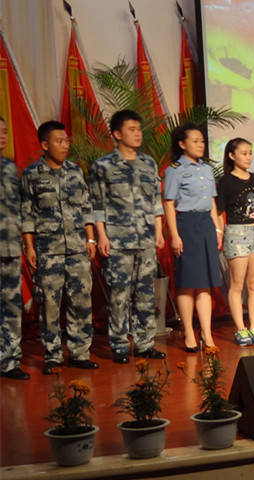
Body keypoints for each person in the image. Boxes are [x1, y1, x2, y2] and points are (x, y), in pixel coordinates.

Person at [20, 121, 98, 374]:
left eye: (66, 141)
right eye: (59, 141)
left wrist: (90, 239)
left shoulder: (75, 172)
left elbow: (85, 208)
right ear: (45, 145)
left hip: (77, 249)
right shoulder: (32, 174)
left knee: (81, 302)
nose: (65, 146)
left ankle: (79, 353)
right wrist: (29, 247)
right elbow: (27, 214)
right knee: (50, 305)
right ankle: (53, 356)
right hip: (48, 250)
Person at [89, 109, 165, 364]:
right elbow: (97, 205)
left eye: (139, 129)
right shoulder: (103, 166)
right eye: (131, 129)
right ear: (117, 134)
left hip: (146, 239)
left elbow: (155, 201)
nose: (137, 133)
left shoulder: (148, 163)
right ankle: (120, 345)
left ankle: (145, 343)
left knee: (145, 294)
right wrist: (101, 236)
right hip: (118, 241)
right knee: (119, 295)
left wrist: (158, 231)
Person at [163, 123, 223, 354]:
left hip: (206, 225)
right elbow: (169, 203)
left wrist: (217, 230)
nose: (200, 145)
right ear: (182, 144)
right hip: (186, 225)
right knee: (188, 284)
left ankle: (206, 332)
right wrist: (175, 235)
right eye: (195, 141)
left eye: (202, 141)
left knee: (205, 284)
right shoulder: (174, 170)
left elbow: (212, 201)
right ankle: (189, 332)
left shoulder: (206, 169)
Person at [215, 137, 254, 346]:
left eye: (250, 153)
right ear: (231, 155)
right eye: (244, 153)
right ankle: (240, 329)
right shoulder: (226, 182)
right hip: (237, 233)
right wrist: (220, 232)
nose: (248, 157)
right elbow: (219, 211)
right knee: (237, 284)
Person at [0, 117, 28, 379]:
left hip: (9, 249)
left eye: (5, 131)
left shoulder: (9, 167)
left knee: (11, 306)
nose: (2, 135)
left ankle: (9, 362)